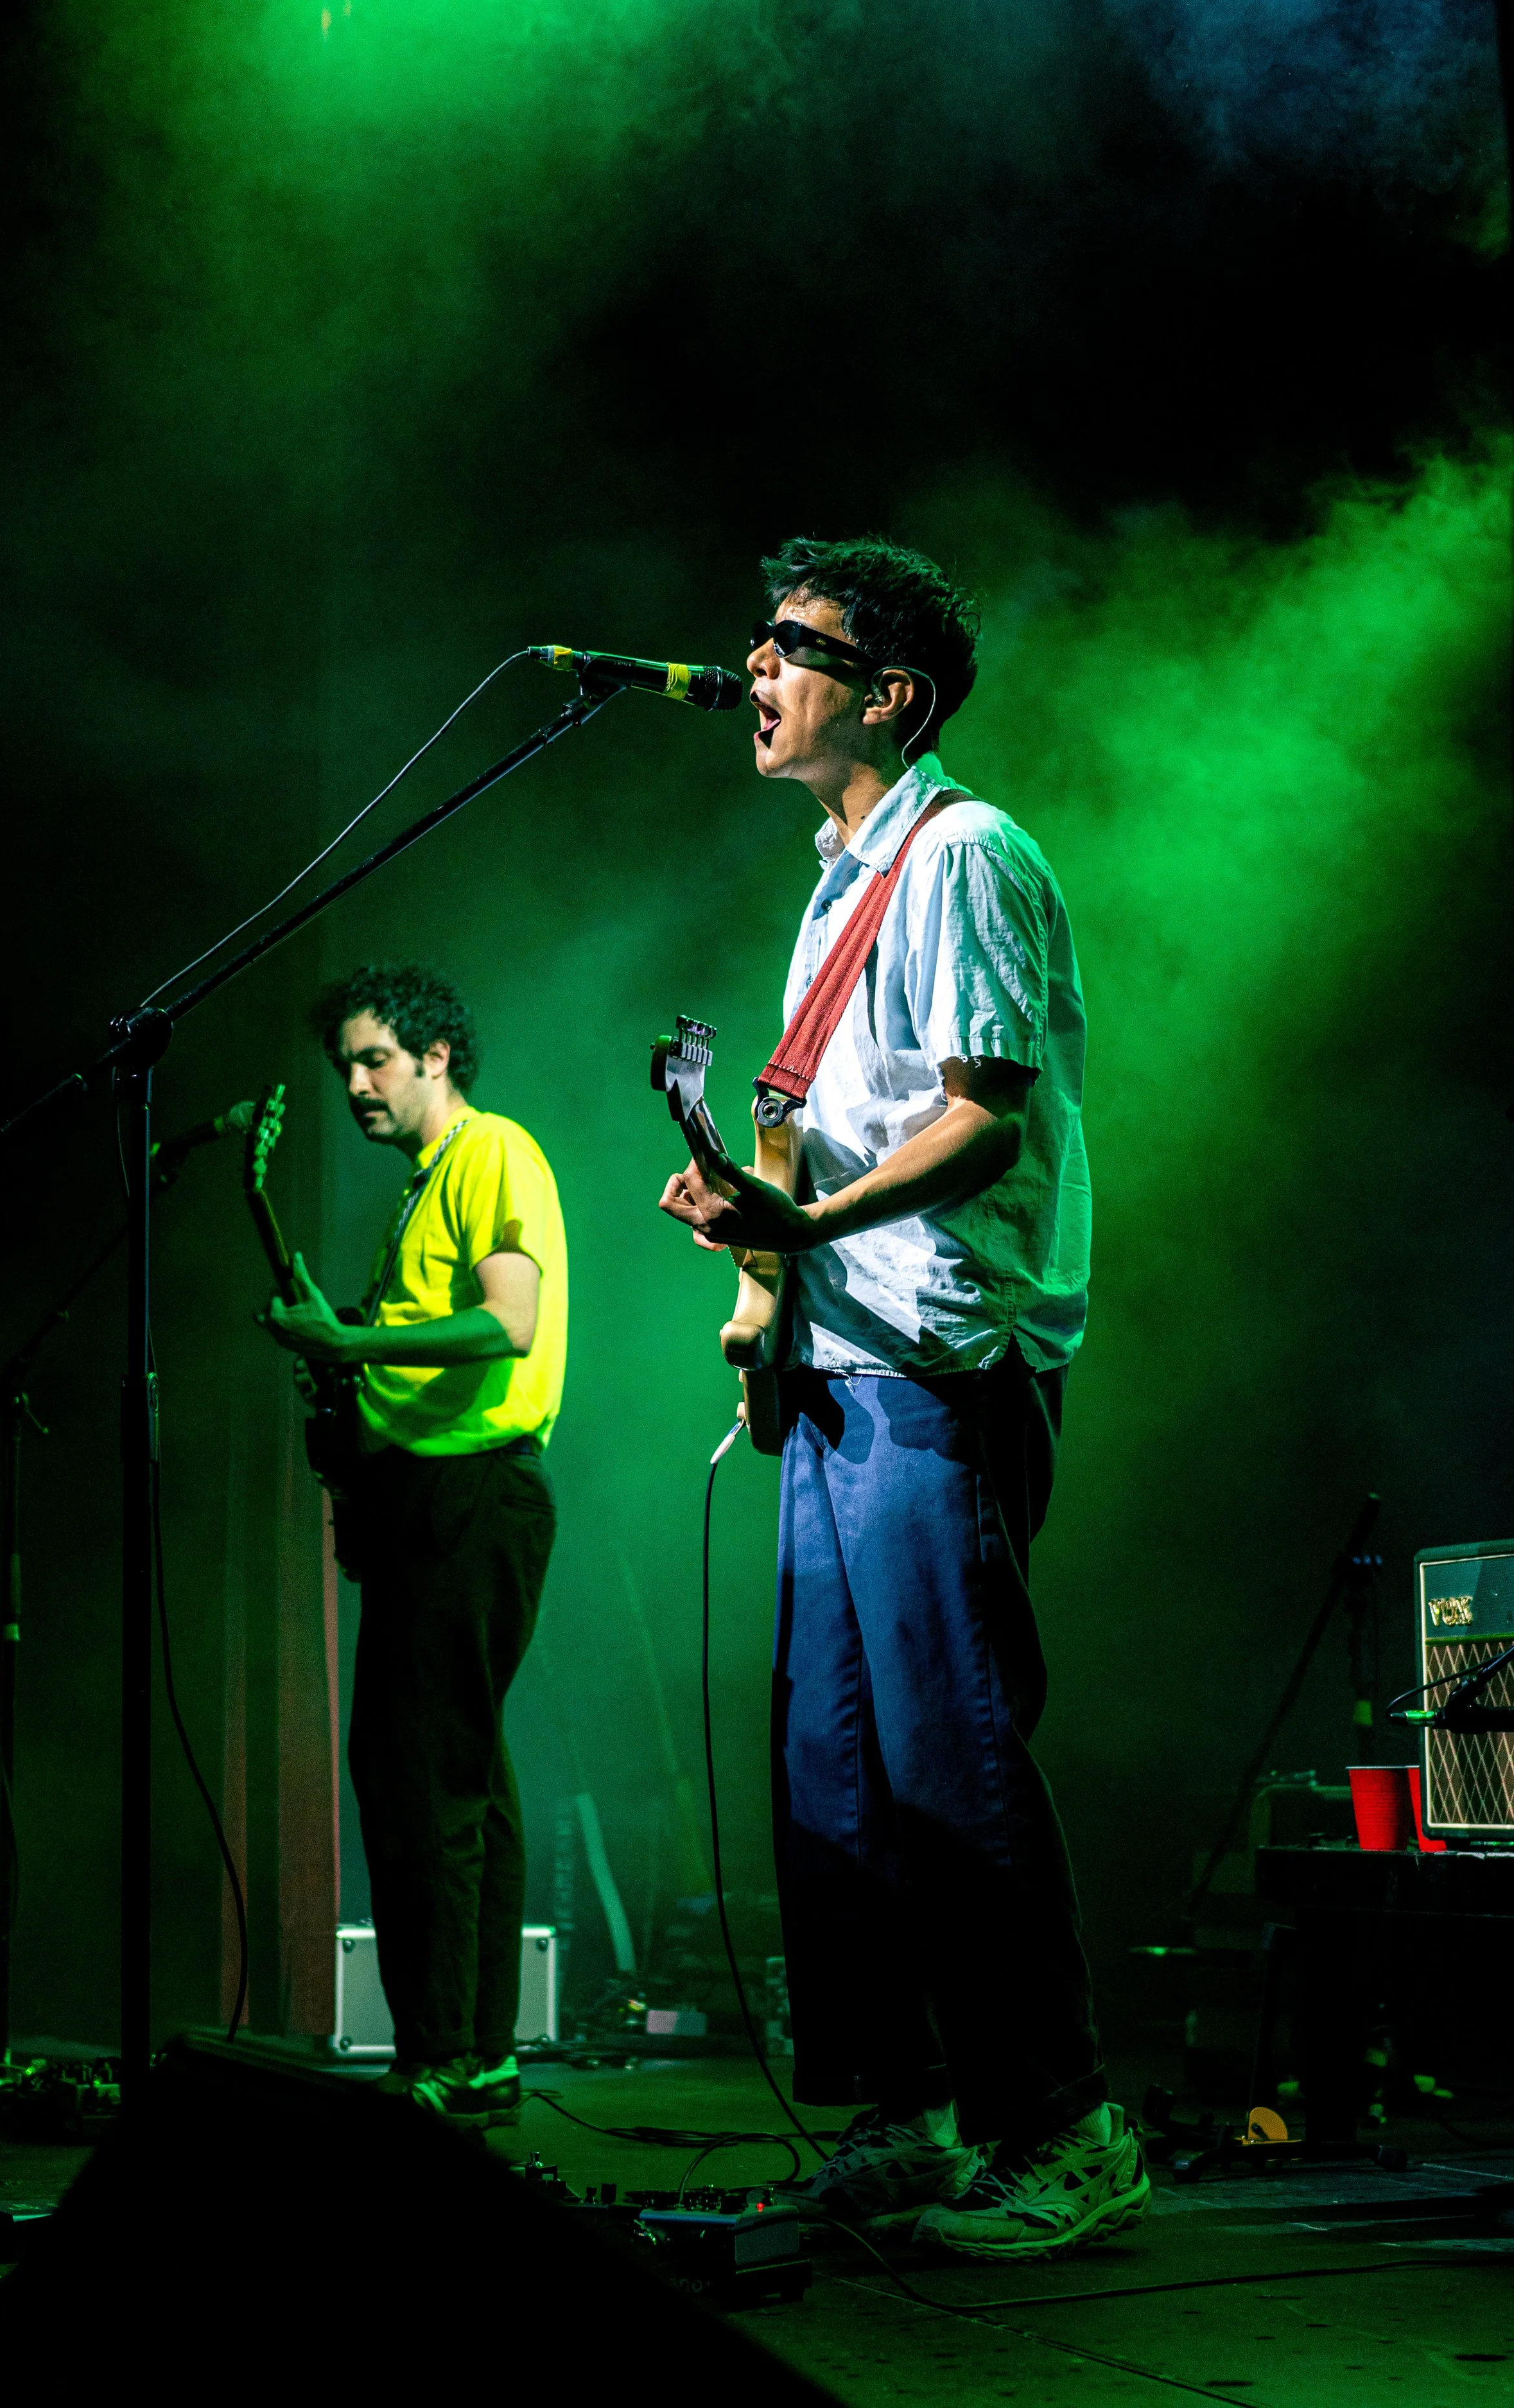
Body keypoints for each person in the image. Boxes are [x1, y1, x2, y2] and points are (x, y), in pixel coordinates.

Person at [659, 537, 1148, 2258]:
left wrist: (805, 1219)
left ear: (892, 695)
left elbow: (983, 1115)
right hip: (842, 1364)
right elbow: (808, 1112)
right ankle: (904, 2110)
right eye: (756, 634)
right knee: (834, 1770)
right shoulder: (828, 875)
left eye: (789, 644)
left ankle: (1064, 2120)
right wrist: (754, 1246)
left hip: (944, 1364)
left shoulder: (968, 854)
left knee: (948, 1756)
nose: (751, 667)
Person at [261, 961, 565, 2127]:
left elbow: (509, 1322)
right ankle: (472, 2052)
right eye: (345, 1064)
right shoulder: (425, 1184)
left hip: (473, 1496)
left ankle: (444, 2054)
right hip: (432, 1501)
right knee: (459, 1779)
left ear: (436, 1054)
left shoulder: (493, 1152)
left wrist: (350, 1350)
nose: (354, 1083)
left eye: (375, 1057)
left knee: (419, 1780)